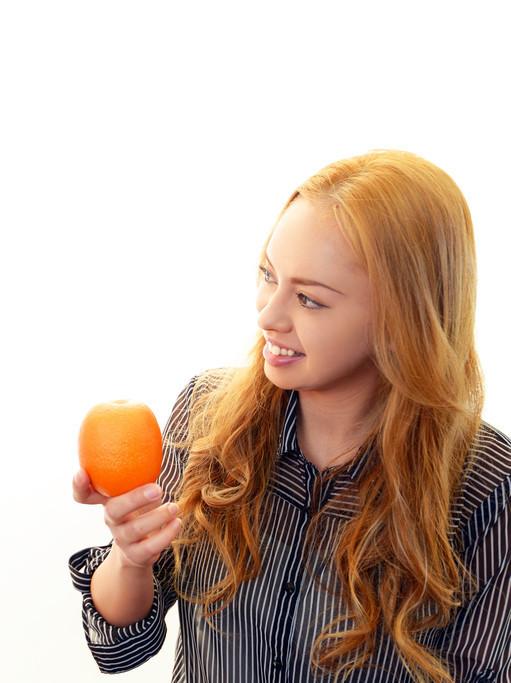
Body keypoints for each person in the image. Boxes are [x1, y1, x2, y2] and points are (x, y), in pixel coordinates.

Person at [70, 150, 510, 682]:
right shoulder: (205, 417)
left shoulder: (489, 486)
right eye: (268, 275)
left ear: (403, 319)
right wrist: (130, 556)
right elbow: (120, 649)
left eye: (309, 299)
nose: (269, 315)